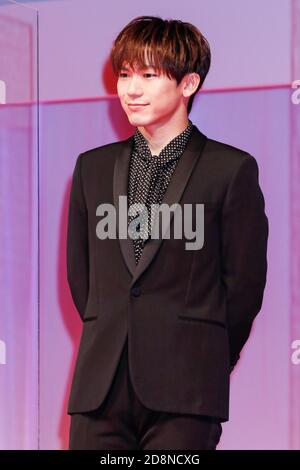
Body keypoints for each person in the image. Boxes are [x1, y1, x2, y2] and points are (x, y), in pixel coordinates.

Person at [66, 15, 269, 450]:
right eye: (124, 74)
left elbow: (245, 286)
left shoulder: (230, 170)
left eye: (148, 75)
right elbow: (83, 279)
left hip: (186, 390)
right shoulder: (92, 168)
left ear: (188, 83)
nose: (130, 89)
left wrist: (206, 353)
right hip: (100, 392)